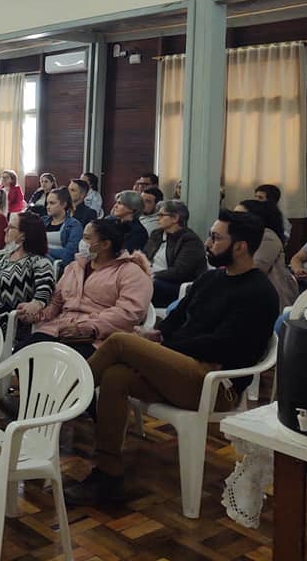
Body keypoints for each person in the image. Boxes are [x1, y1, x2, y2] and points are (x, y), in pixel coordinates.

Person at [65, 210, 279, 505]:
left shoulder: (260, 292)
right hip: (184, 371)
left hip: (217, 386)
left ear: (240, 246)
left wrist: (165, 345)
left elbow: (222, 346)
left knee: (119, 342)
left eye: (216, 238)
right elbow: (175, 319)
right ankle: (108, 472)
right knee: (115, 377)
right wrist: (158, 335)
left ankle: (61, 403)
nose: (208, 242)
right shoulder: (211, 279)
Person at [17, 218, 152, 359]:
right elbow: (56, 303)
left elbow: (128, 313)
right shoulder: (74, 267)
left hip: (97, 339)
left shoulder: (131, 272)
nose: (82, 243)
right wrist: (36, 314)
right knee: (22, 355)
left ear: (105, 244)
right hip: (58, 330)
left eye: (87, 238)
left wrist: (86, 327)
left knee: (58, 364)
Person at [0, 211, 56, 335]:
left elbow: (45, 290)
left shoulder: (39, 262)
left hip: (13, 322)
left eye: (11, 227)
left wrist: (35, 304)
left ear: (23, 235)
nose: (5, 229)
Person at [234, 199, 298, 308]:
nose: (233, 219)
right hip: (245, 286)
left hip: (269, 291)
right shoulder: (239, 235)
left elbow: (256, 268)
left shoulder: (267, 236)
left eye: (239, 215)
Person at [142, 200, 207, 307]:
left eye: (162, 215)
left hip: (176, 285)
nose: (158, 218)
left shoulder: (190, 241)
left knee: (145, 284)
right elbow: (144, 257)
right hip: (151, 278)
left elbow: (180, 272)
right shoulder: (156, 234)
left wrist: (151, 275)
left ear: (175, 218)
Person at [43, 187, 82, 265]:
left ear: (64, 204)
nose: (48, 207)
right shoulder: (42, 221)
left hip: (59, 266)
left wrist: (43, 250)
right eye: (47, 203)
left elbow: (68, 254)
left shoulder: (74, 225)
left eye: (52, 203)